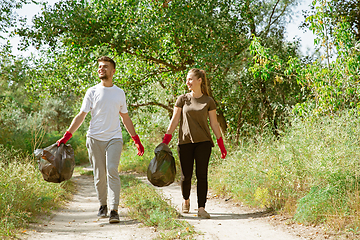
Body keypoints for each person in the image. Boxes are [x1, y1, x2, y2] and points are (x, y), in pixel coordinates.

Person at [57, 56, 144, 223]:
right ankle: (102, 205)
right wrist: (67, 135)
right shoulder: (92, 91)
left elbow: (125, 118)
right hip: (94, 138)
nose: (101, 69)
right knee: (99, 174)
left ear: (113, 71)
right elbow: (81, 116)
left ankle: (114, 209)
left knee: (112, 170)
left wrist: (136, 139)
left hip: (114, 137)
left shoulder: (119, 93)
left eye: (105, 67)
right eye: (99, 66)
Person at [162, 68, 227, 219]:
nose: (188, 82)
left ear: (200, 81)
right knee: (186, 176)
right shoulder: (182, 99)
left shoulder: (208, 101)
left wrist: (221, 144)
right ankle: (186, 200)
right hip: (184, 142)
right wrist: (165, 141)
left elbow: (214, 124)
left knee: (202, 175)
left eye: (191, 79)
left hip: (203, 142)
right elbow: (175, 120)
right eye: (187, 79)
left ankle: (201, 208)